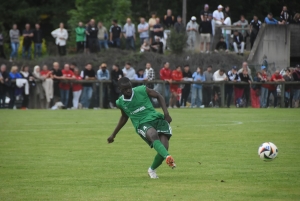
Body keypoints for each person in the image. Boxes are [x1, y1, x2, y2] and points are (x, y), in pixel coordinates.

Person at [107, 77, 176, 179]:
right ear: (120, 89)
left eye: (129, 87)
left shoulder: (142, 89)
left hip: (157, 119)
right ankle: (168, 157)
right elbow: (124, 117)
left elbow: (158, 95)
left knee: (164, 148)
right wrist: (113, 134)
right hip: (141, 123)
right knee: (153, 135)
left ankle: (151, 169)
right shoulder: (120, 102)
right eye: (125, 89)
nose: (129, 90)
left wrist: (166, 113)